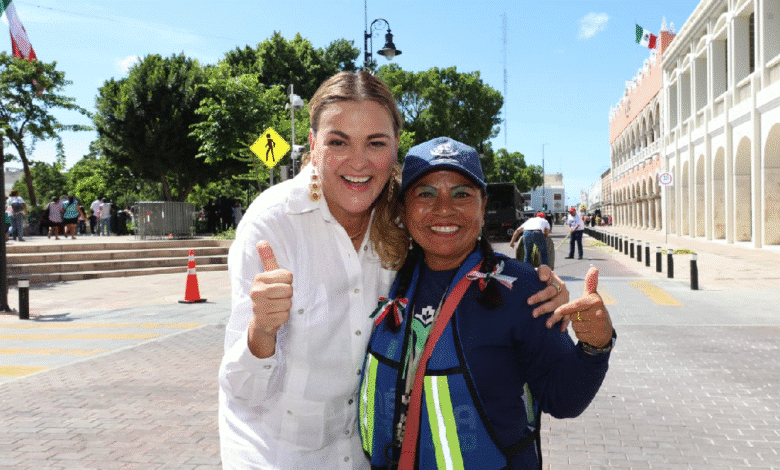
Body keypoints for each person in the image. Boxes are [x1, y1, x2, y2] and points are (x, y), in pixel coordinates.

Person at [218, 72, 570, 469]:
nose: (358, 162)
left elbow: (457, 266)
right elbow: (242, 388)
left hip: (358, 451)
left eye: (375, 143)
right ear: (313, 144)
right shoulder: (273, 224)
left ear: (394, 148)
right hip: (273, 451)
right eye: (337, 142)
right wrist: (261, 330)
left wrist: (537, 289)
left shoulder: (403, 221)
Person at [359, 137, 615, 469]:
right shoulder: (384, 278)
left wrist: (595, 346)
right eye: (425, 193)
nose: (444, 209)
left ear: (482, 208)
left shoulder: (523, 287)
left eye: (462, 194)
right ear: (405, 209)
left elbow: (563, 400)